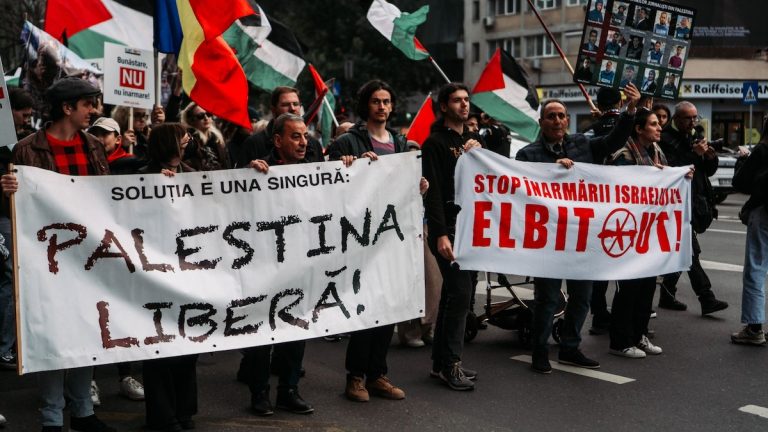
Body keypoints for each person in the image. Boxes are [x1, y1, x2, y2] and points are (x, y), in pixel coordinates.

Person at [1, 76, 116, 432]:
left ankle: (82, 412)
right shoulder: (27, 149)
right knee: (51, 335)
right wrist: (6, 191)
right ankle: (52, 417)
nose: (93, 111)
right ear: (67, 108)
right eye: (87, 105)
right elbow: (15, 213)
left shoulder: (94, 146)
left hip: (88, 258)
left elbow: (110, 197)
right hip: (46, 259)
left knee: (87, 332)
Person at [515, 83, 640, 374]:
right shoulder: (527, 154)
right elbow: (518, 192)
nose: (557, 120)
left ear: (567, 120)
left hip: (581, 236)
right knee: (548, 299)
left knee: (582, 297)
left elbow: (613, 141)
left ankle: (570, 347)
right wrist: (552, 172)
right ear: (541, 122)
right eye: (551, 116)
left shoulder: (582, 144)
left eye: (561, 116)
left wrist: (630, 111)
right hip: (548, 240)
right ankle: (539, 351)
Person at [326, 80, 408, 402]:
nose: (382, 107)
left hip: (390, 237)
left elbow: (403, 184)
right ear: (366, 105)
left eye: (386, 101)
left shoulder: (399, 143)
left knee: (387, 307)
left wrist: (419, 186)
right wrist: (347, 167)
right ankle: (356, 377)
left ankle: (377, 374)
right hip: (359, 237)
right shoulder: (348, 141)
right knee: (365, 307)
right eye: (376, 101)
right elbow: (327, 185)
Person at [244, 113, 317, 415]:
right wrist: (246, 173)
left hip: (299, 265)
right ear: (277, 140)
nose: (303, 142)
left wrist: (357, 167)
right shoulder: (258, 171)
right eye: (295, 136)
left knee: (295, 328)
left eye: (305, 136)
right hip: (262, 266)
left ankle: (289, 390)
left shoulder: (316, 171)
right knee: (261, 330)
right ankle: (259, 393)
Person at [608, 109, 688, 358]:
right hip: (629, 231)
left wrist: (679, 176)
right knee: (628, 289)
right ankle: (620, 342)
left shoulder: (657, 152)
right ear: (639, 129)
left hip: (650, 232)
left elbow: (665, 183)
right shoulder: (623, 156)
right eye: (653, 124)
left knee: (647, 288)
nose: (659, 127)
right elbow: (616, 190)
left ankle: (639, 335)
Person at [421, 82, 482, 390]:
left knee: (452, 295)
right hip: (449, 228)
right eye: (457, 100)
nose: (464, 105)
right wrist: (440, 234)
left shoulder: (472, 141)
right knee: (460, 294)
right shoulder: (434, 143)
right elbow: (431, 192)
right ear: (444, 106)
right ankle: (451, 365)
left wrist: (480, 154)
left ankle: (440, 362)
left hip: (471, 227)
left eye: (466, 100)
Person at [139, 123, 199, 431]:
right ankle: (162, 416)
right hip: (156, 272)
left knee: (188, 343)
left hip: (189, 270)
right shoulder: (139, 176)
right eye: (181, 139)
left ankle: (184, 410)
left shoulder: (193, 174)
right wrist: (155, 188)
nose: (188, 142)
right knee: (159, 344)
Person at [658, 102, 729, 315]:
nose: (693, 122)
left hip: (694, 202)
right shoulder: (665, 139)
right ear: (676, 119)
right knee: (690, 252)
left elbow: (706, 171)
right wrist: (694, 155)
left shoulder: (694, 137)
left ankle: (667, 295)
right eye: (688, 118)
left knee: (683, 250)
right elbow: (671, 169)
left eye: (695, 117)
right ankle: (706, 298)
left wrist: (710, 157)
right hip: (674, 204)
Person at [582, 87, 624, 335]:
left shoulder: (591, 130)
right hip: (624, 204)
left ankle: (599, 314)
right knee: (623, 260)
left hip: (596, 203)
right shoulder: (627, 127)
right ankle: (621, 315)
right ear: (620, 102)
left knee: (599, 263)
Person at [730, 116, 768, 345]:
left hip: (763, 213)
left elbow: (740, 183)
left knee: (756, 268)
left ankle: (754, 328)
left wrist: (743, 160)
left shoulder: (762, 150)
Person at [230, 86, 325, 168]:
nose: (292, 108)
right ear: (273, 109)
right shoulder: (253, 144)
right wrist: (249, 170)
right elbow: (239, 179)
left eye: (296, 104)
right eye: (285, 105)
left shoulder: (313, 144)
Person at [180, 102, 230, 171]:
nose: (206, 118)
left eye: (209, 114)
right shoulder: (189, 140)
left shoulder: (217, 138)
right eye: (200, 116)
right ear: (191, 120)